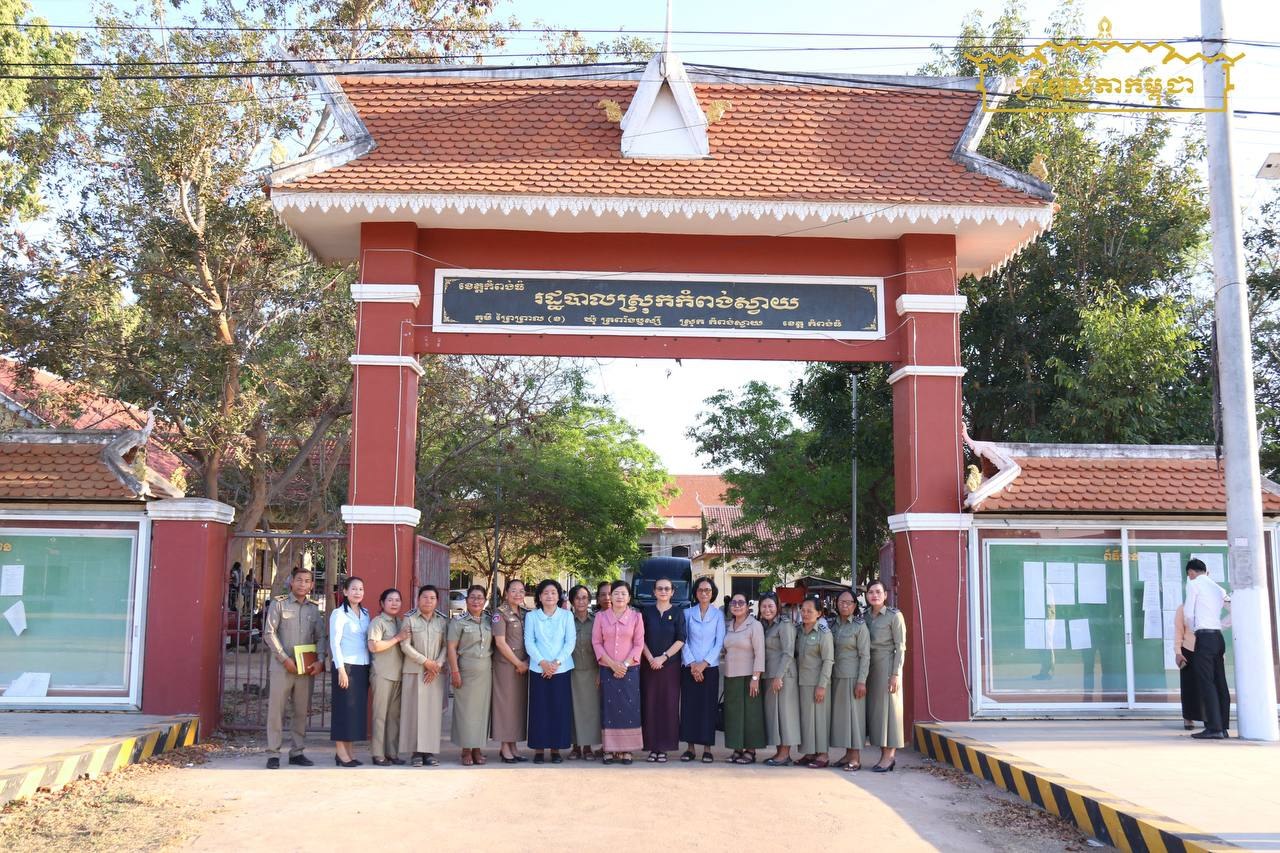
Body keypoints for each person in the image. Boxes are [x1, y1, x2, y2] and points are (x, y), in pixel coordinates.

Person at [262, 567, 328, 769]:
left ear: (311, 585)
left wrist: (320, 660)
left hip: (305, 669)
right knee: (276, 711)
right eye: (299, 580)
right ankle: (273, 753)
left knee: (300, 711)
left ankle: (297, 752)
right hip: (283, 667)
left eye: (307, 581)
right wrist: (284, 659)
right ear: (291, 582)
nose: (302, 584)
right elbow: (269, 633)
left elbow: (321, 636)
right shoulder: (279, 603)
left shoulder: (314, 608)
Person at [592, 579, 645, 764]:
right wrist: (612, 664)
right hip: (608, 669)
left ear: (629, 597)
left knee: (629, 709)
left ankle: (626, 751)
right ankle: (609, 749)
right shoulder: (601, 617)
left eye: (623, 593)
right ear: (610, 597)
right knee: (609, 709)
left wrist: (624, 664)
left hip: (629, 671)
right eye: (615, 593)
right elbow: (596, 643)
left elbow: (639, 644)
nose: (619, 596)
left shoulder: (636, 617)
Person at [525, 579, 576, 763]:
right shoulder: (531, 617)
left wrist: (555, 664)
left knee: (558, 710)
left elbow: (570, 642)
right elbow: (529, 643)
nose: (550, 596)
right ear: (539, 596)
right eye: (546, 593)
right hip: (538, 669)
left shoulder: (566, 616)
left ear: (559, 595)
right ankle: (539, 750)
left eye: (553, 592)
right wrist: (543, 663)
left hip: (561, 669)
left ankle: (556, 749)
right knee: (539, 710)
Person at [400, 585, 449, 766]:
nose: (428, 601)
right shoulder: (409, 618)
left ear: (437, 601)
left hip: (434, 673)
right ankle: (416, 753)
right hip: (414, 671)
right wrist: (426, 662)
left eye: (432, 598)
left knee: (431, 713)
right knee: (414, 713)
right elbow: (405, 645)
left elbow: (446, 645)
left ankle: (429, 752)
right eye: (425, 597)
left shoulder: (442, 621)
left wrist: (437, 664)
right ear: (418, 599)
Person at [640, 577, 686, 763]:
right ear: (654, 591)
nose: (664, 591)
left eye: (667, 588)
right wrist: (651, 658)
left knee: (668, 706)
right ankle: (652, 747)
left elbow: (681, 639)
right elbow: (639, 638)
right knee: (650, 704)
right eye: (660, 588)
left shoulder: (677, 613)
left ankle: (664, 748)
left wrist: (663, 657)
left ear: (673, 592)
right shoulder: (646, 612)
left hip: (670, 667)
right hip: (649, 666)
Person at [1183, 558, 1230, 739]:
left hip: (1204, 637)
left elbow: (1188, 612)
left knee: (1206, 681)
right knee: (1220, 682)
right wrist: (1221, 625)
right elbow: (1234, 610)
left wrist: (1196, 628)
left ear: (1191, 573)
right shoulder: (1218, 588)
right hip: (1218, 638)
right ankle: (1223, 727)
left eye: (1189, 575)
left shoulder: (1194, 584)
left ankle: (1214, 727)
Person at [680, 577, 725, 763]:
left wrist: (704, 664)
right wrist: (692, 664)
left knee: (708, 709)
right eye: (700, 590)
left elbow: (719, 642)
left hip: (710, 668)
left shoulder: (718, 615)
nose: (704, 593)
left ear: (712, 593)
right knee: (689, 708)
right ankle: (690, 748)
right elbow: (683, 640)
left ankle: (707, 748)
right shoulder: (687, 613)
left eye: (707, 590)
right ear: (695, 593)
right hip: (689, 668)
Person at [447, 585, 493, 766]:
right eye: (472, 597)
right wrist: (455, 671)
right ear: (466, 601)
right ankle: (466, 750)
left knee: (481, 712)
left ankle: (477, 749)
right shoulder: (458, 622)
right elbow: (451, 648)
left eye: (480, 598)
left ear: (485, 601)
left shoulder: (489, 621)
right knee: (465, 712)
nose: (476, 601)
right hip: (465, 670)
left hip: (485, 672)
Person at [329, 576, 371, 767]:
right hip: (344, 666)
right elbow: (335, 643)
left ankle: (349, 752)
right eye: (353, 589)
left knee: (354, 711)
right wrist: (341, 670)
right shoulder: (339, 614)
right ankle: (340, 753)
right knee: (343, 710)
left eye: (361, 589)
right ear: (345, 592)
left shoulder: (365, 613)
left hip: (362, 666)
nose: (357, 592)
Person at [865, 578, 906, 771]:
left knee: (889, 712)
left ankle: (888, 757)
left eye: (878, 592)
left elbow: (900, 647)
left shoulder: (894, 616)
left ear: (885, 595)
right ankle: (883, 754)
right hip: (870, 667)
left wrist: (895, 674)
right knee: (877, 713)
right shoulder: (865, 616)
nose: (874, 595)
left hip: (887, 666)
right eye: (871, 592)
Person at [722, 592, 766, 764]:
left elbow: (760, 653)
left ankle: (750, 750)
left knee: (751, 715)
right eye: (734, 602)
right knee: (734, 715)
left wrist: (756, 677)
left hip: (749, 676)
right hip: (731, 675)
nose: (737, 605)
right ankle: (737, 748)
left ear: (748, 606)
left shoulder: (754, 625)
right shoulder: (729, 625)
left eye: (741, 602)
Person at [829, 589, 870, 772]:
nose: (844, 605)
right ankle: (847, 754)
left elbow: (865, 655)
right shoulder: (834, 624)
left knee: (854, 718)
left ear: (854, 605)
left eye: (848, 602)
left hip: (852, 677)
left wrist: (862, 681)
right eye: (841, 602)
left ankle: (855, 757)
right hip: (836, 676)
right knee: (843, 719)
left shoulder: (860, 626)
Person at [367, 588, 408, 766]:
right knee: (380, 716)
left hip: (398, 675)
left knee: (394, 716)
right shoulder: (378, 622)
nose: (394, 603)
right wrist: (397, 638)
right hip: (382, 674)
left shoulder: (400, 622)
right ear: (382, 603)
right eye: (390, 600)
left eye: (397, 600)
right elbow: (374, 647)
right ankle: (378, 754)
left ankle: (392, 752)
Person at [492, 578, 530, 763]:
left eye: (521, 591)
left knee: (517, 707)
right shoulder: (500, 613)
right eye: (514, 590)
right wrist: (518, 663)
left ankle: (513, 745)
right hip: (507, 666)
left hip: (524, 666)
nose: (518, 594)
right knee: (505, 706)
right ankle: (504, 747)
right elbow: (500, 642)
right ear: (506, 593)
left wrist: (526, 663)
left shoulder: (525, 613)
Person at [759, 593, 800, 766]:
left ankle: (784, 754)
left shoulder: (784, 625)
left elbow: (788, 652)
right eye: (764, 606)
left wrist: (779, 676)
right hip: (770, 676)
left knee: (784, 714)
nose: (767, 609)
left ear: (778, 607)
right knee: (774, 715)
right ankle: (779, 753)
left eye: (771, 606)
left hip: (783, 676)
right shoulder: (765, 625)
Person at [795, 597, 834, 768]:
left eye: (809, 611)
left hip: (818, 683)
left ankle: (823, 755)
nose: (805, 614)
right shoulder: (799, 631)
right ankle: (810, 752)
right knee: (806, 720)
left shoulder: (824, 633)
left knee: (820, 719)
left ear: (819, 613)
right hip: (802, 682)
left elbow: (828, 660)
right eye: (803, 610)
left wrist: (822, 685)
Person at [567, 584, 603, 760]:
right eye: (577, 598)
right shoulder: (566, 620)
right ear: (572, 600)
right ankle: (575, 746)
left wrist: (600, 672)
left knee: (590, 710)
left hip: (592, 671)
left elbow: (602, 647)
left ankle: (587, 746)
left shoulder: (597, 621)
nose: (581, 601)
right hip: (571, 671)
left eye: (584, 597)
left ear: (589, 600)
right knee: (573, 709)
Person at [1172, 601, 1203, 731]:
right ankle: (1188, 718)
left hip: (1207, 650)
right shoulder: (1182, 609)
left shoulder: (1207, 606)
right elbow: (1178, 632)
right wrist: (1178, 652)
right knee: (1189, 687)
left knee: (1207, 686)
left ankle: (1208, 717)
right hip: (1188, 650)